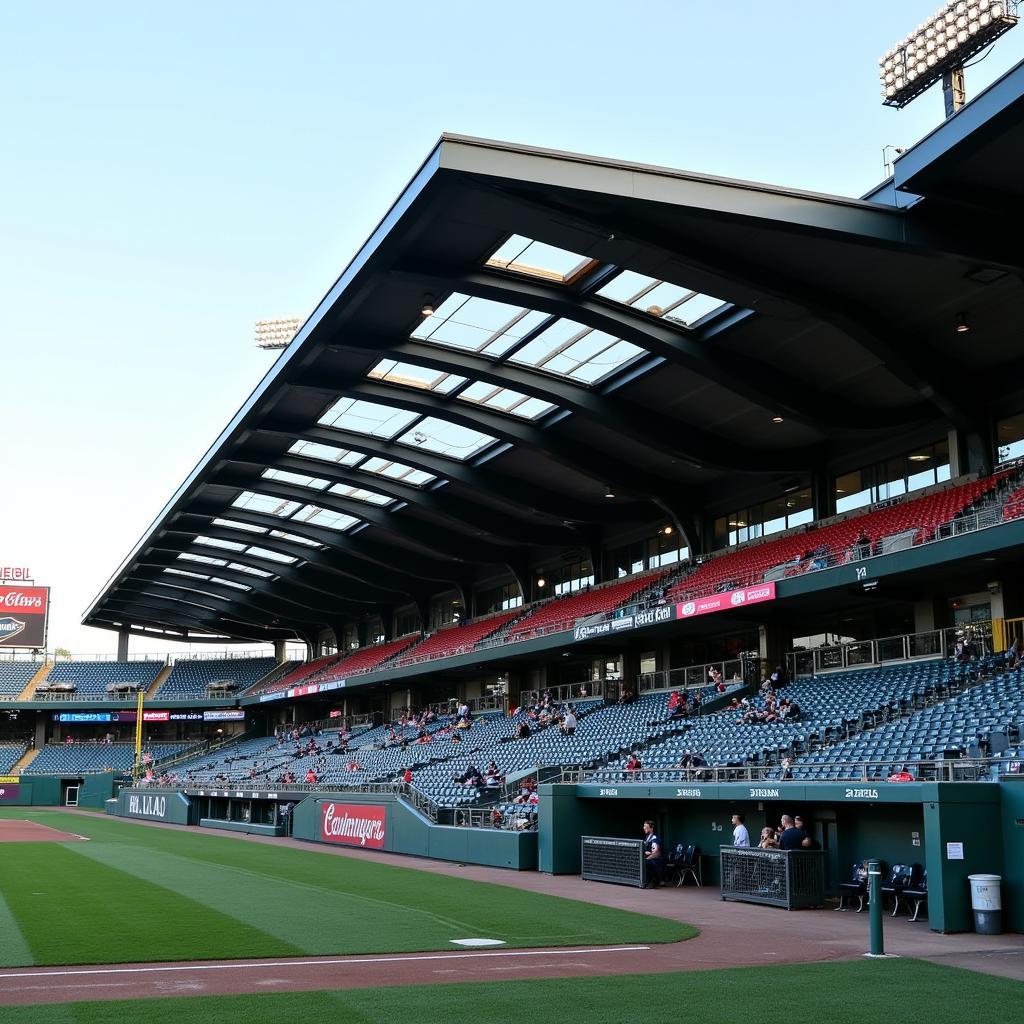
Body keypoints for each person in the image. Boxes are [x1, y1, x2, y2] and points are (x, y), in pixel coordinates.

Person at [642, 820, 665, 887]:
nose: (644, 828)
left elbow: (656, 850)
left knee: (648, 862)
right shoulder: (647, 837)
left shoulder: (654, 837)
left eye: (646, 827)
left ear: (651, 828)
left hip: (656, 859)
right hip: (648, 857)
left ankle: (654, 882)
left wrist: (648, 856)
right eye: (644, 826)